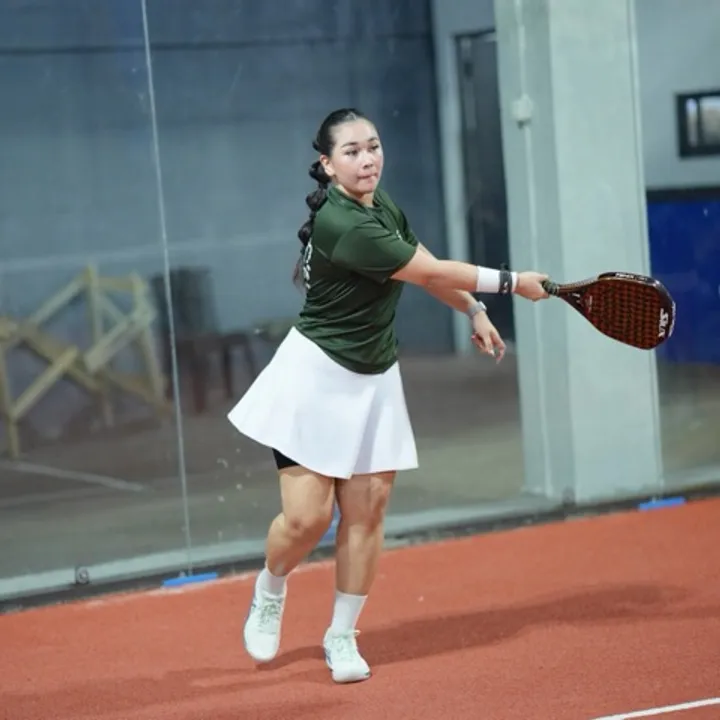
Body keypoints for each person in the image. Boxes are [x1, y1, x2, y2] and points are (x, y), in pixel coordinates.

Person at [227, 108, 549, 684]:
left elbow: (424, 268)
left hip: (374, 379)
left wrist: (473, 309)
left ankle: (341, 636)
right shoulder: (343, 224)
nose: (367, 159)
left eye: (373, 146)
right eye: (351, 151)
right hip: (313, 380)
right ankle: (270, 589)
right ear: (327, 165)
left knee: (367, 513)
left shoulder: (381, 206)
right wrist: (512, 283)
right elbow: (430, 272)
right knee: (307, 521)